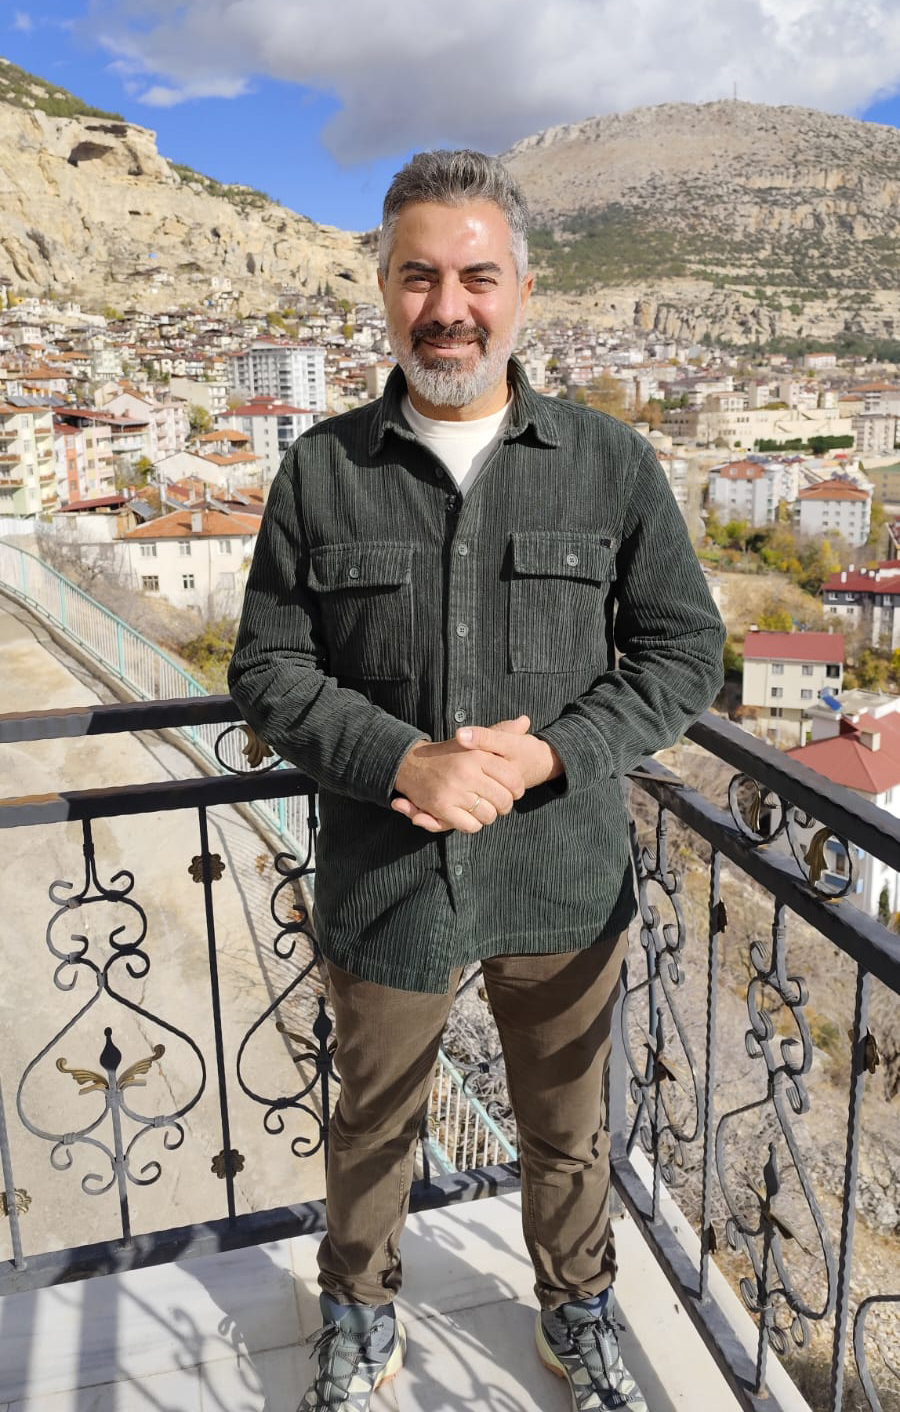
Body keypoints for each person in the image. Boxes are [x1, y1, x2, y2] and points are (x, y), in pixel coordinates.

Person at [228, 148, 725, 1412]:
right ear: (383, 288)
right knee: (373, 1121)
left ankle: (578, 1310)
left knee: (567, 1127)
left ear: (524, 290)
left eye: (476, 277)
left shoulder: (611, 463)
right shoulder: (320, 470)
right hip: (389, 878)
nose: (447, 307)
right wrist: (402, 757)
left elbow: (684, 652)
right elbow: (269, 667)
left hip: (562, 873)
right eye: (418, 277)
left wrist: (554, 750)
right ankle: (359, 1314)